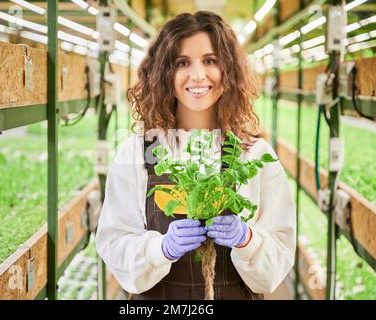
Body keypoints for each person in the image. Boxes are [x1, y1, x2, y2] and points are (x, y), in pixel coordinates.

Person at [96, 11, 296, 300]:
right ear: (165, 72)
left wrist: (248, 240)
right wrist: (159, 250)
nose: (198, 75)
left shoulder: (254, 154)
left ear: (228, 70)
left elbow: (279, 254)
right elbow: (114, 240)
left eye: (210, 61)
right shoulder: (138, 151)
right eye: (182, 63)